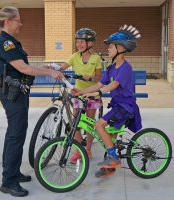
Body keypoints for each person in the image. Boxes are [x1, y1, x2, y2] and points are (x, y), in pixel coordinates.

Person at [0, 6, 63, 197]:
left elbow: (23, 67)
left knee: (14, 135)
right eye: (18, 20)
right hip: (13, 95)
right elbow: (23, 68)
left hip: (18, 93)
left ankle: (12, 173)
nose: (21, 24)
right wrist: (49, 72)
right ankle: (8, 182)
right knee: (16, 136)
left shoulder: (11, 42)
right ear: (8, 21)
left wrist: (42, 67)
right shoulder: (5, 43)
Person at [71, 24, 142, 178]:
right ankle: (110, 164)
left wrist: (98, 93)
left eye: (110, 46)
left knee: (98, 125)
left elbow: (113, 85)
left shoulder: (125, 68)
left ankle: (114, 159)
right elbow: (98, 83)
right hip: (117, 106)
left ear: (120, 48)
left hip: (125, 107)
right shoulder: (110, 68)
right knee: (110, 136)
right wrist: (80, 92)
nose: (108, 49)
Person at [58, 28, 102, 163]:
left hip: (92, 94)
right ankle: (79, 150)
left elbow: (99, 79)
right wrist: (54, 69)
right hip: (78, 94)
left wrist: (90, 78)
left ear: (90, 43)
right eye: (78, 42)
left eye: (82, 42)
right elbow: (63, 67)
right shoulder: (75, 56)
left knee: (89, 123)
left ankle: (88, 150)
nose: (79, 45)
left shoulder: (96, 58)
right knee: (75, 122)